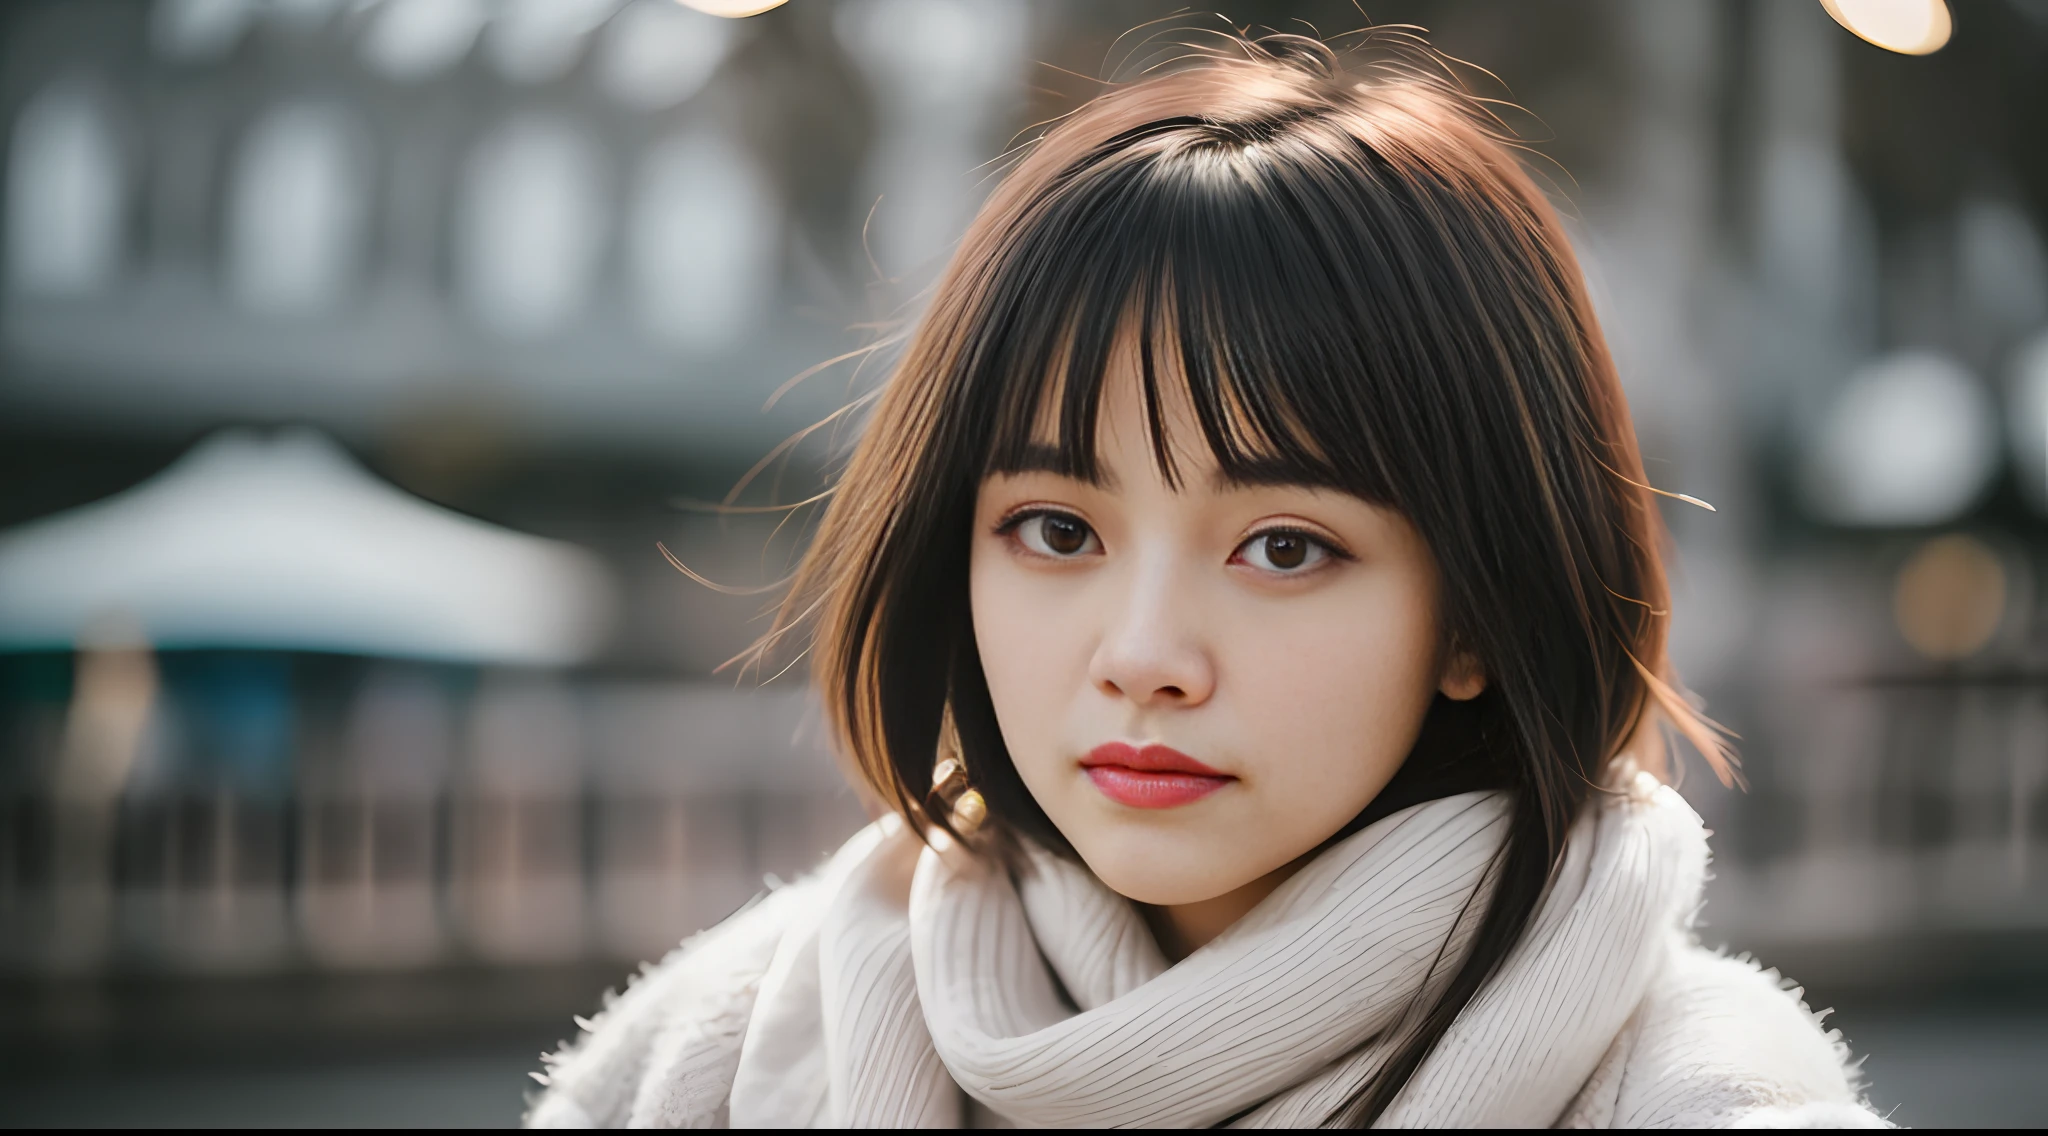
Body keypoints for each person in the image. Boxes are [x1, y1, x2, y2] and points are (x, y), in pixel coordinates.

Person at [526, 32, 1884, 1129]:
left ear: (1477, 611)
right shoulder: (718, 1054)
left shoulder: (1691, 1096)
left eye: (1284, 547)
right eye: (1056, 530)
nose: (1144, 654)